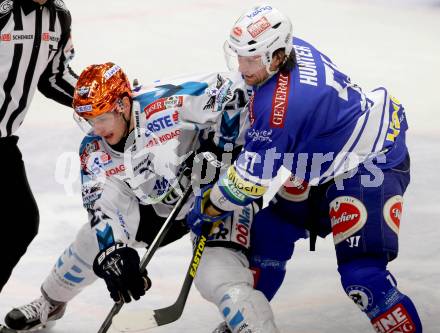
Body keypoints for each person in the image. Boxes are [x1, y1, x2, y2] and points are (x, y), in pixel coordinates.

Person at [188, 4, 423, 333]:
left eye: (251, 58)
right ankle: (249, 322)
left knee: (363, 277)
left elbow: (248, 184)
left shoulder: (279, 110)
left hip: (370, 162)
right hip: (326, 156)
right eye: (238, 56)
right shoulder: (294, 49)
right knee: (271, 231)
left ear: (277, 55)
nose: (242, 67)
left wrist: (210, 206)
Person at [2, 63, 281, 333]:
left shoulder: (168, 103)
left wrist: (222, 147)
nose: (96, 129)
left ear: (122, 105)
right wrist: (115, 254)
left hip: (220, 195)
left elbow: (236, 89)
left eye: (101, 118)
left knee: (218, 276)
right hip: (159, 205)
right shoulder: (93, 150)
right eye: (89, 120)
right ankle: (50, 303)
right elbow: (102, 210)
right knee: (91, 241)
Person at [0, 0, 76, 330]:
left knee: (19, 224)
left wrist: (101, 99)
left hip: (1, 142)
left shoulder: (58, 18)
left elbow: (53, 76)